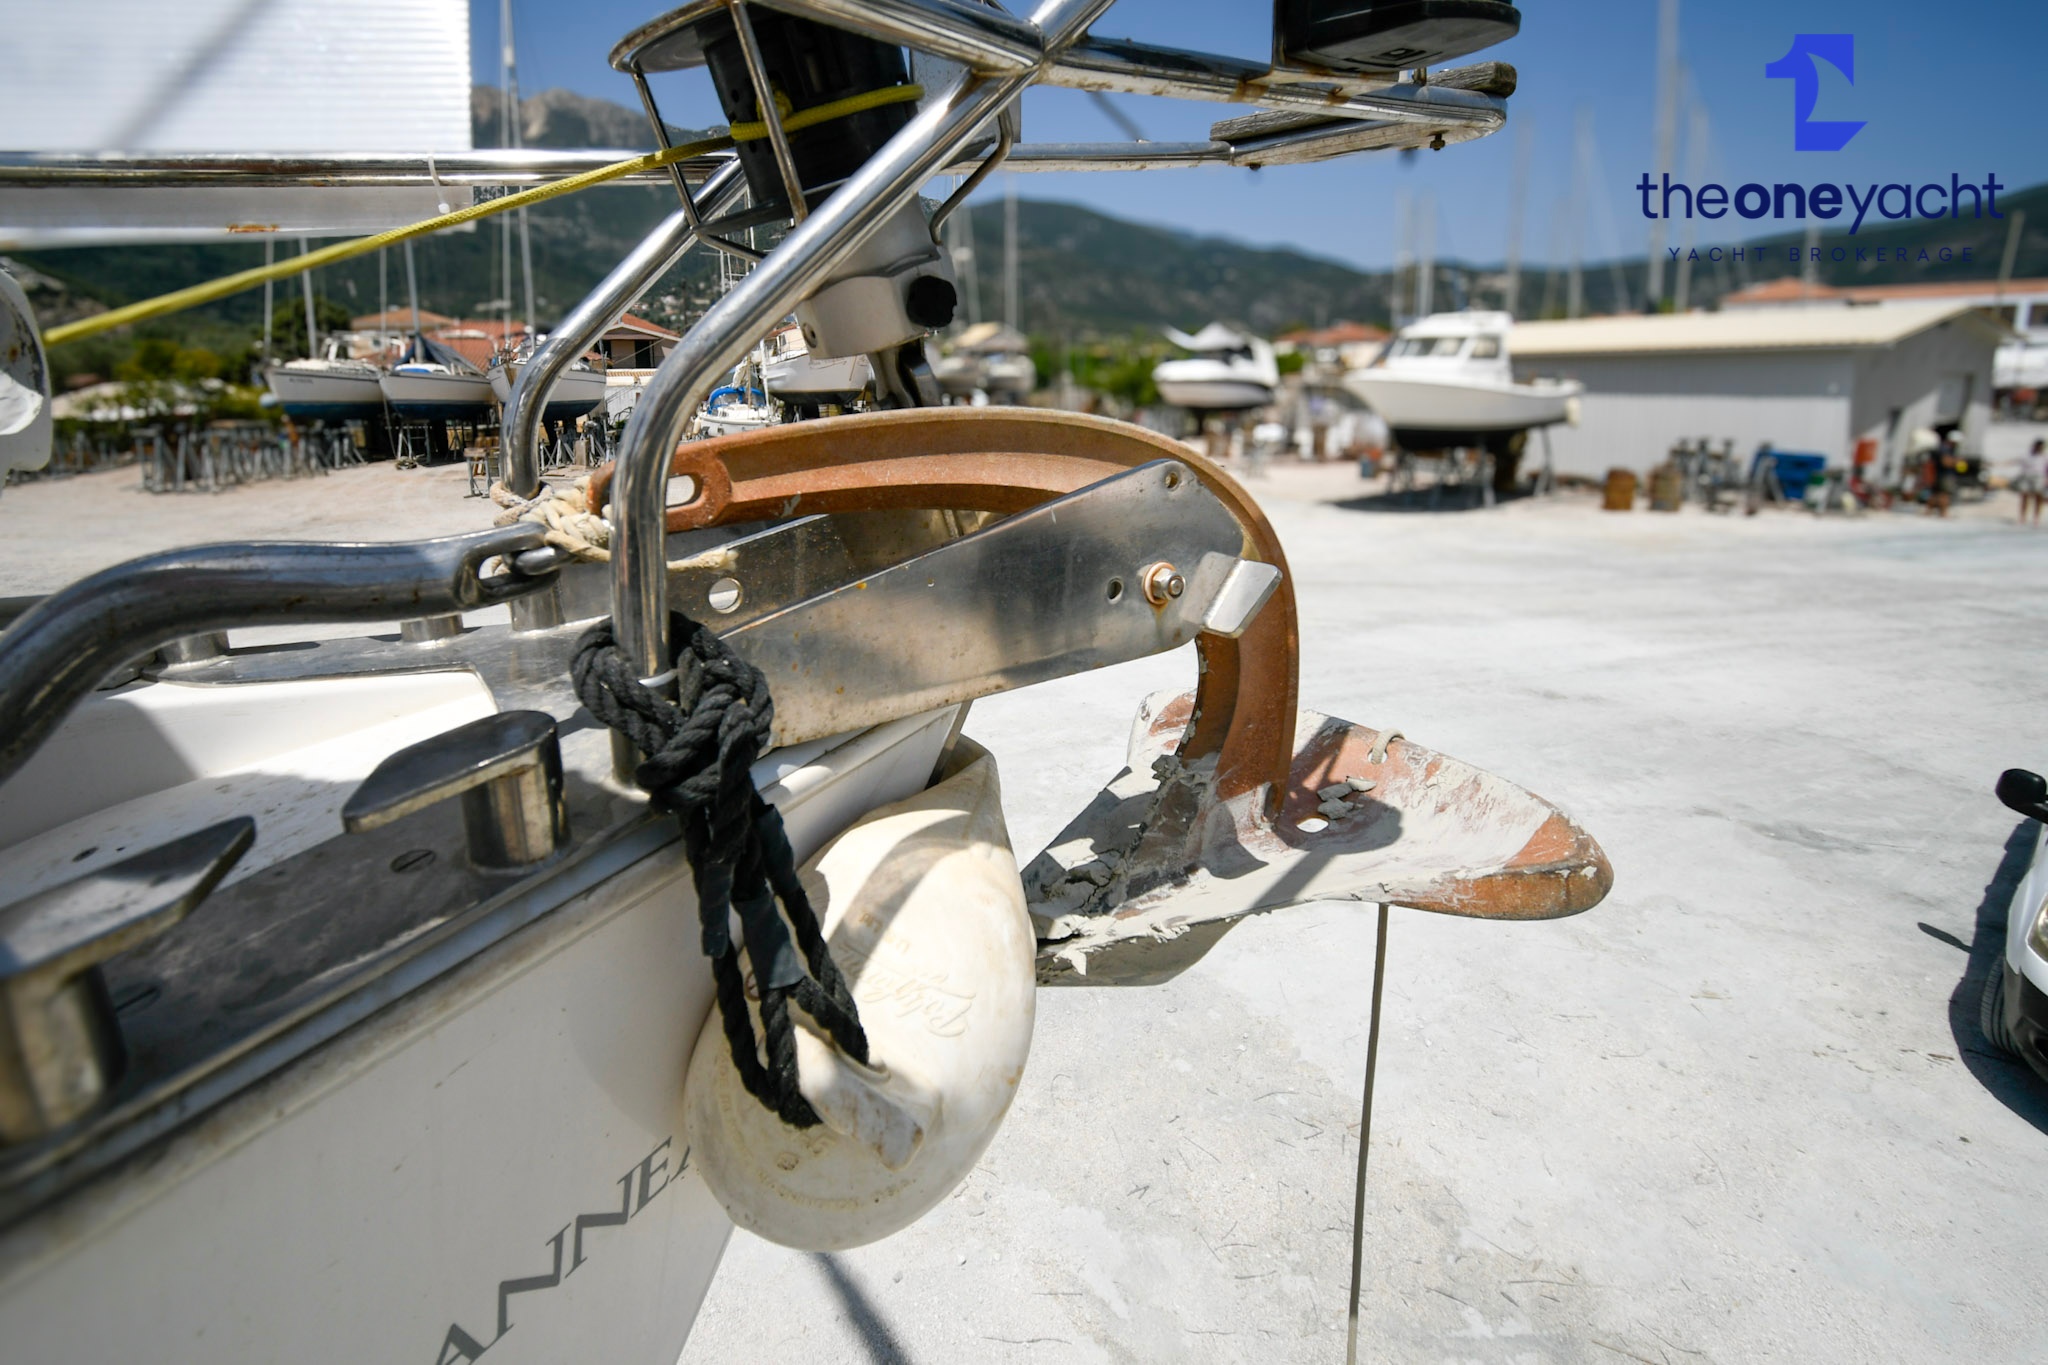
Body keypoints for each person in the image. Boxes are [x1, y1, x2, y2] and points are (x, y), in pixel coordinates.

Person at [2018, 438, 2048, 526]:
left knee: (2038, 497)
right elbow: (2021, 464)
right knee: (2025, 496)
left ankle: (2036, 517)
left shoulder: (2044, 456)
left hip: (2039, 477)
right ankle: (2022, 516)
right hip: (2027, 476)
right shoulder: (2027, 455)